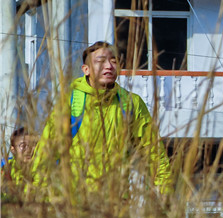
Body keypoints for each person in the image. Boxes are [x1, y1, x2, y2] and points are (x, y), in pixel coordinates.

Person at [31, 41, 173, 193]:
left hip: (116, 202)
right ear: (86, 69)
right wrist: (38, 197)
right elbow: (46, 152)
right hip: (74, 202)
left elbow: (154, 152)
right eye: (101, 61)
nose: (109, 66)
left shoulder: (131, 102)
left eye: (114, 61)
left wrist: (164, 191)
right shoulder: (70, 102)